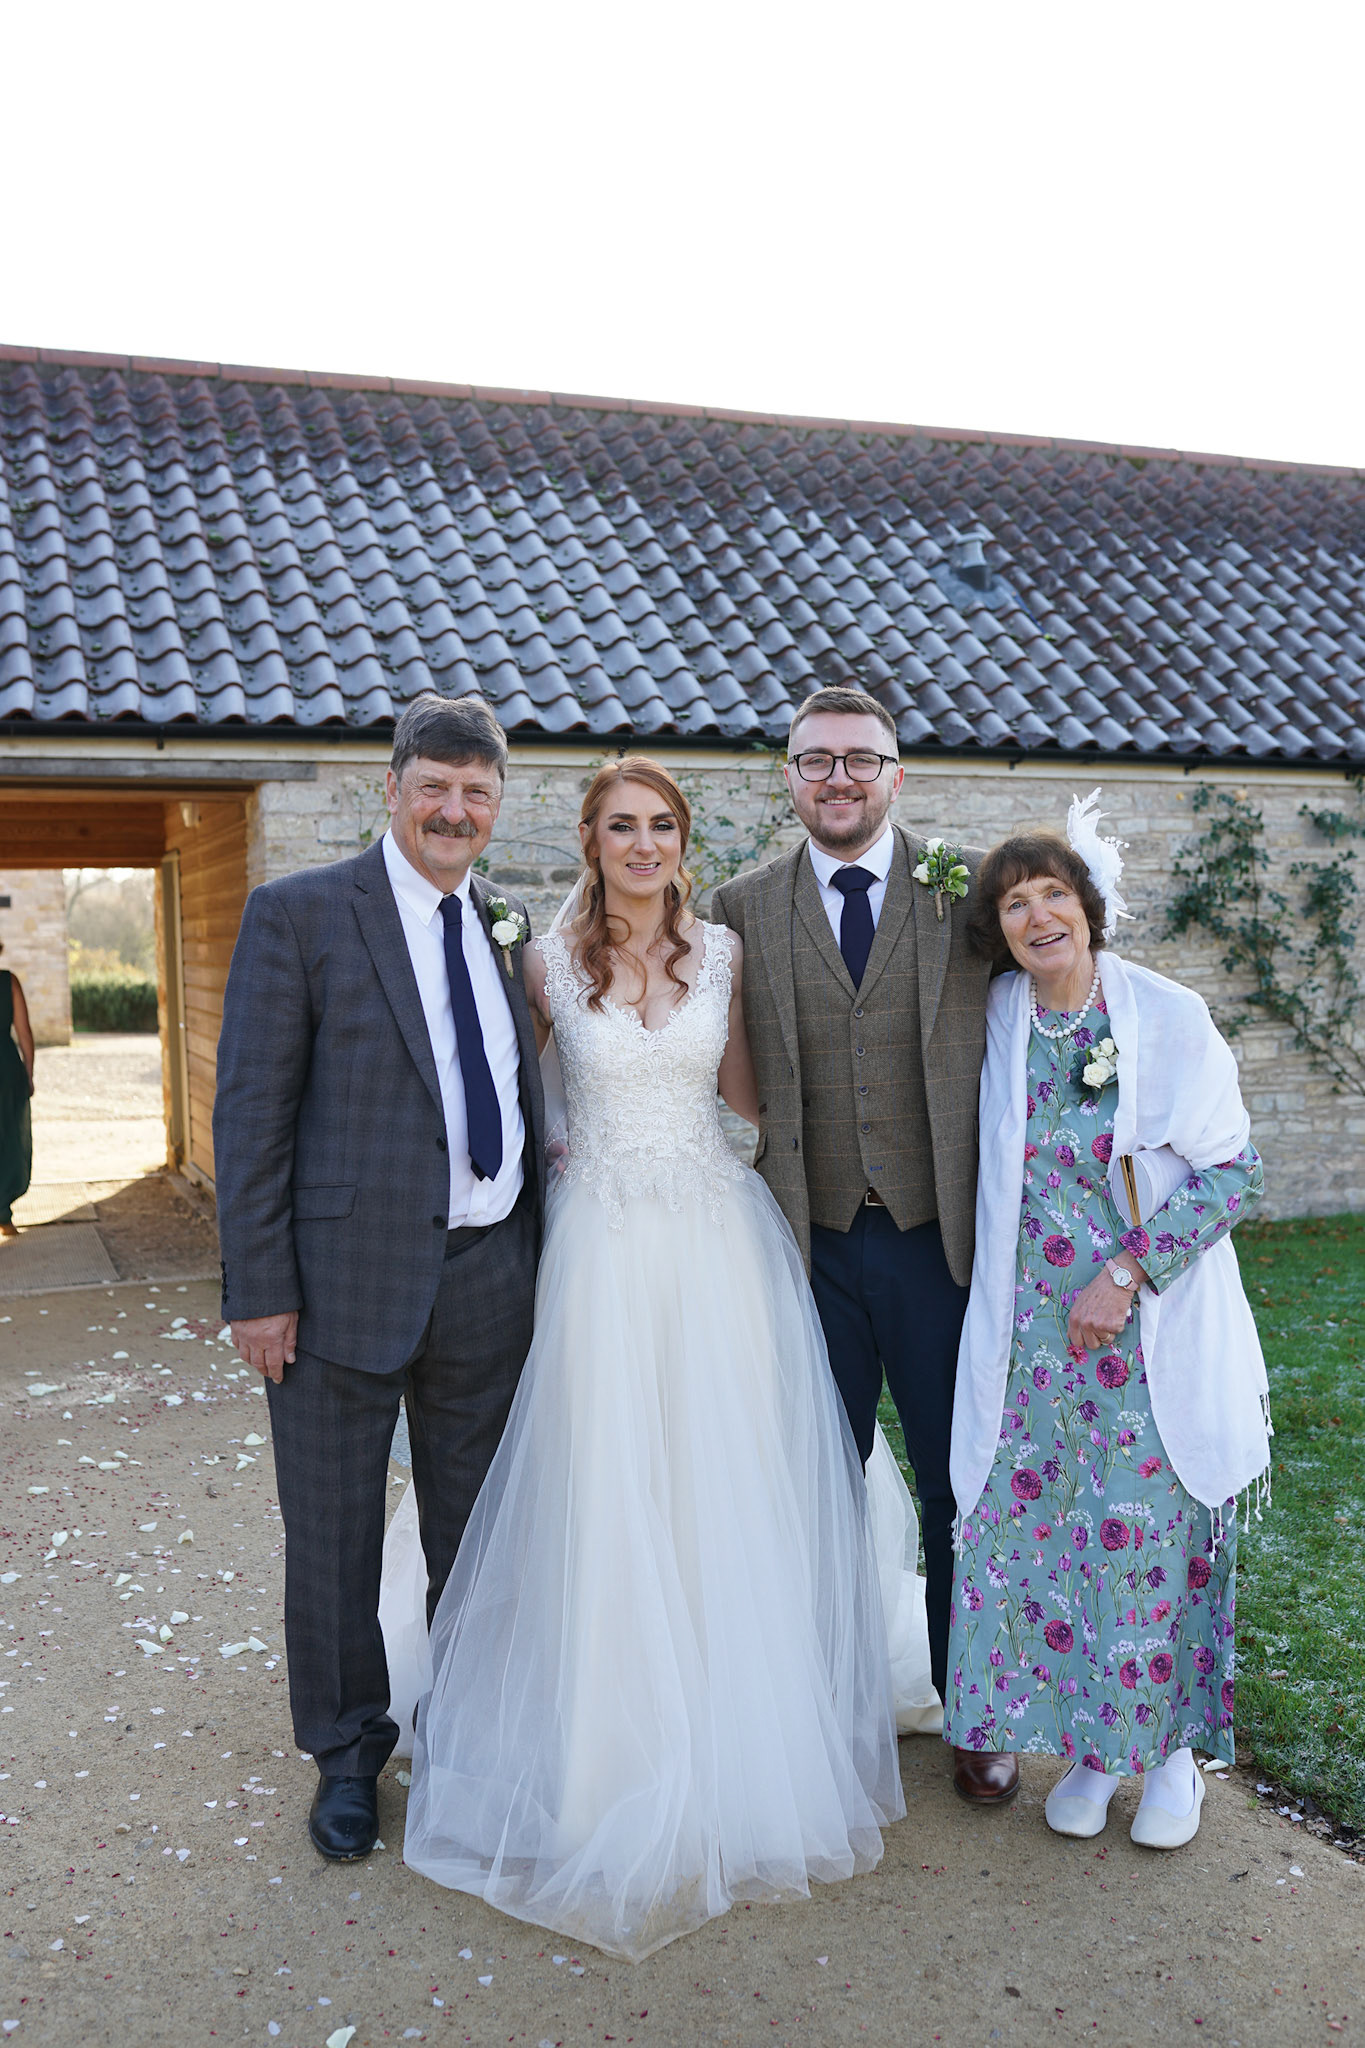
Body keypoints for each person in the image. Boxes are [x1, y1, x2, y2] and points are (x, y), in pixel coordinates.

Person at [391, 756, 920, 1962]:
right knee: (605, 1482)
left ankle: (738, 1740)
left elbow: (751, 1097)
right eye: (621, 825)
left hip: (714, 1241)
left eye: (662, 825)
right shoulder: (541, 962)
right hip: (599, 1248)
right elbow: (505, 1098)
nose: (643, 843)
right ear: (589, 838)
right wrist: (552, 1151)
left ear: (684, 840)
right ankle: (601, 1755)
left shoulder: (724, 953)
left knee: (716, 1483)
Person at [213, 692, 545, 1863]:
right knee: (334, 1536)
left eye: (476, 792)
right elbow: (251, 1114)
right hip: (334, 1287)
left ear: (496, 805)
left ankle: (467, 1734)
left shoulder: (503, 923)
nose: (454, 809)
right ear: (392, 789)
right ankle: (348, 1755)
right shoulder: (299, 914)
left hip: (489, 1277)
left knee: (478, 1532)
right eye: (435, 787)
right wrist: (259, 1288)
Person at [946, 794, 1271, 1850]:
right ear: (998, 930)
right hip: (1032, 1342)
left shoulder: (1166, 1016)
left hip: (1140, 1333)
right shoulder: (999, 1016)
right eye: (1013, 904)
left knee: (1144, 1540)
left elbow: (1234, 1169)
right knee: (1052, 1539)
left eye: (1052, 895)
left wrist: (1127, 1273)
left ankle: (1169, 1757)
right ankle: (1094, 1746)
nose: (1036, 916)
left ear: (1088, 907)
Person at [712, 686, 1018, 1806]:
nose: (836, 778)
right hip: (808, 1246)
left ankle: (975, 1710)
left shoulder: (968, 890)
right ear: (788, 776)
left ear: (897, 773)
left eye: (859, 759)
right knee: (811, 1488)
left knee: (956, 1485)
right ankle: (819, 1708)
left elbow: (1071, 977)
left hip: (941, 1246)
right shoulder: (740, 907)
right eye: (815, 760)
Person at [0, 943, 35, 1237]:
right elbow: (25, 1033)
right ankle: (3, 1215)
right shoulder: (8, 982)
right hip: (6, 1069)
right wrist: (29, 1074)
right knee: (9, 1138)